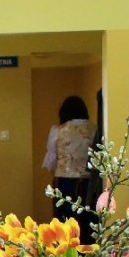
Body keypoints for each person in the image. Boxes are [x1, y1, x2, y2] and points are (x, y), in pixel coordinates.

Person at [42, 95, 97, 235]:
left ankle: (65, 254)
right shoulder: (95, 129)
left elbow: (51, 162)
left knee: (64, 224)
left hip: (64, 182)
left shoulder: (58, 131)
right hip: (89, 184)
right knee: (87, 223)